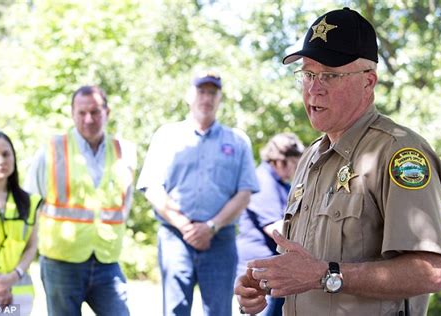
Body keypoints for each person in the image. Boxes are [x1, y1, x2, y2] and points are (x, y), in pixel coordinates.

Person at [235, 7, 441, 316]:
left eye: (330, 75)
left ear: (368, 81)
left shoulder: (399, 153)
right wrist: (262, 283)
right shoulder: (310, 157)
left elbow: (429, 272)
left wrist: (326, 274)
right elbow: (300, 265)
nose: (313, 88)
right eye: (308, 74)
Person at [137, 71, 259, 316]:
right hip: (175, 238)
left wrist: (211, 226)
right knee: (174, 310)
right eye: (201, 91)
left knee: (219, 311)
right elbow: (152, 187)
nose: (207, 98)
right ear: (189, 95)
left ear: (220, 98)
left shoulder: (237, 141)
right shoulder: (166, 136)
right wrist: (186, 226)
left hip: (220, 239)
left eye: (212, 93)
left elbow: (244, 193)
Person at [24, 85, 136, 316]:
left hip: (106, 261)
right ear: (72, 113)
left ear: (107, 112)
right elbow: (29, 203)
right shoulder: (51, 150)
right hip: (61, 263)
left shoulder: (124, 151)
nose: (88, 119)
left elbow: (125, 204)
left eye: (95, 112)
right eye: (81, 112)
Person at [236, 133, 304, 316]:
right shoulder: (263, 181)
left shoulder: (280, 183)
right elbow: (277, 230)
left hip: (271, 266)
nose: (297, 170)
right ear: (281, 161)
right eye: (295, 164)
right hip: (258, 268)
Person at [0, 131, 41, 315]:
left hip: (17, 294)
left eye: (6, 154)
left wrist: (12, 277)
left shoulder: (30, 202)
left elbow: (32, 245)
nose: (0, 160)